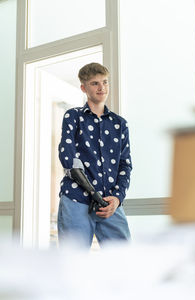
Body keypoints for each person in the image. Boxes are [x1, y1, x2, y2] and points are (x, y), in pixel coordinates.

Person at [57, 62, 132, 247]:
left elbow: (125, 164)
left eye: (105, 82)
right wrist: (94, 195)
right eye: (95, 83)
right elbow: (69, 160)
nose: (101, 87)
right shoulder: (73, 116)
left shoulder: (120, 124)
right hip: (76, 200)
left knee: (124, 261)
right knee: (73, 261)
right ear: (83, 87)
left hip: (110, 204)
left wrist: (117, 198)